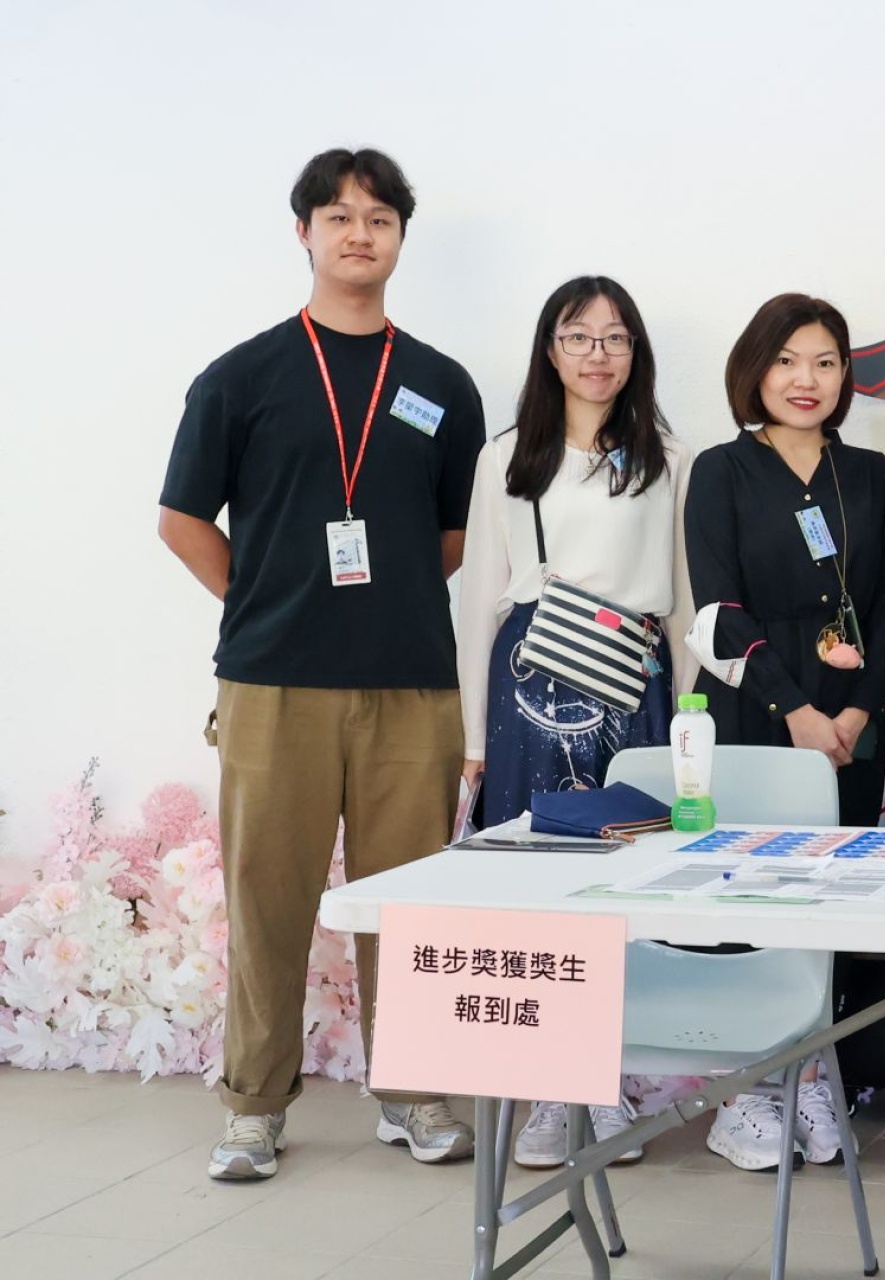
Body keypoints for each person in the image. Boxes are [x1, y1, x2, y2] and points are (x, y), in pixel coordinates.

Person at [158, 148, 484, 1181]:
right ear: (303, 232)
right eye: (338, 216)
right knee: (269, 901)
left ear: (399, 239)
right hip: (274, 684)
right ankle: (253, 1106)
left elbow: (454, 536)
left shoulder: (440, 383)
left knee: (409, 904)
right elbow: (181, 519)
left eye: (379, 218)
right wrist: (265, 601)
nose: (359, 233)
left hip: (411, 683)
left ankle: (415, 1091)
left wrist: (379, 599)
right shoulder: (242, 376)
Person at [456, 275, 683, 1170]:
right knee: (541, 883)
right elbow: (480, 597)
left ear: (637, 354)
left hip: (636, 684)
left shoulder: (668, 457)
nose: (598, 354)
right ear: (550, 351)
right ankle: (557, 1088)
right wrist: (473, 738)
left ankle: (609, 1082)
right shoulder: (508, 457)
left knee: (627, 878)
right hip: (527, 686)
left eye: (616, 337)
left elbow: (683, 595)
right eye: (578, 336)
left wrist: (690, 715)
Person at [683, 293, 885, 1170]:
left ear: (845, 375)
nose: (805, 379)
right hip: (753, 712)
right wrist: (798, 712)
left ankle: (810, 1074)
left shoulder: (872, 474)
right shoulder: (721, 470)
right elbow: (718, 608)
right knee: (752, 894)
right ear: (755, 370)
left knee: (833, 896)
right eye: (785, 361)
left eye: (824, 362)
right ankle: (744, 1093)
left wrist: (855, 712)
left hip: (850, 722)